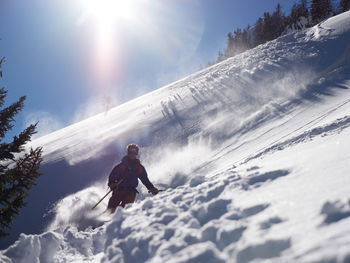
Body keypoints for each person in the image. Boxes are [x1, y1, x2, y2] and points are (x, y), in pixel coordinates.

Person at [107, 143, 158, 213]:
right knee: (111, 209)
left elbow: (144, 179)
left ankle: (121, 221)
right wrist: (112, 184)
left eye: (134, 152)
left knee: (125, 210)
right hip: (118, 190)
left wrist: (151, 187)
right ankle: (104, 221)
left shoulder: (139, 167)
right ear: (128, 152)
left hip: (131, 192)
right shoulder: (121, 166)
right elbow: (112, 176)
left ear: (136, 153)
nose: (132, 154)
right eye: (130, 152)